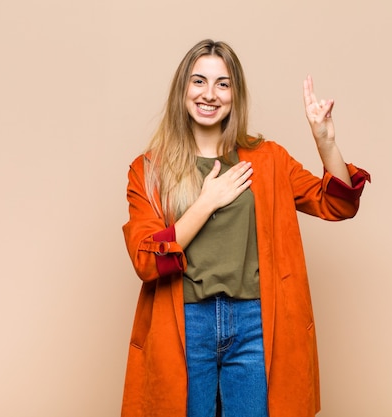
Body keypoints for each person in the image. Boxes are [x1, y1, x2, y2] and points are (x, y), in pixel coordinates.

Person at [121, 39, 370, 417]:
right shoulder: (149, 170)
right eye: (198, 81)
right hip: (187, 324)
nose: (209, 94)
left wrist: (325, 142)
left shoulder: (267, 160)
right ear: (182, 91)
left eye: (222, 84)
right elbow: (146, 259)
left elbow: (337, 203)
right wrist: (207, 201)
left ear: (235, 94)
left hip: (254, 322)